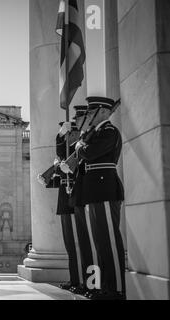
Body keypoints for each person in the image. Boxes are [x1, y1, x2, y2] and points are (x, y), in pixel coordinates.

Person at [70, 96, 125, 300]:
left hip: (105, 188)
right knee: (100, 242)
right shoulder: (95, 132)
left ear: (103, 112)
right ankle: (104, 287)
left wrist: (80, 146)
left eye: (92, 112)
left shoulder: (108, 131)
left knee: (109, 241)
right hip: (94, 190)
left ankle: (116, 289)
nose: (88, 116)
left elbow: (91, 153)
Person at [55, 106, 87, 293]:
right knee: (70, 244)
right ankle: (75, 279)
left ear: (76, 134)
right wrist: (59, 136)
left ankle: (83, 280)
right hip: (65, 200)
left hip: (76, 198)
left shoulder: (80, 148)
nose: (67, 137)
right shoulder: (66, 150)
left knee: (79, 242)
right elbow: (60, 150)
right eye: (65, 134)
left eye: (69, 133)